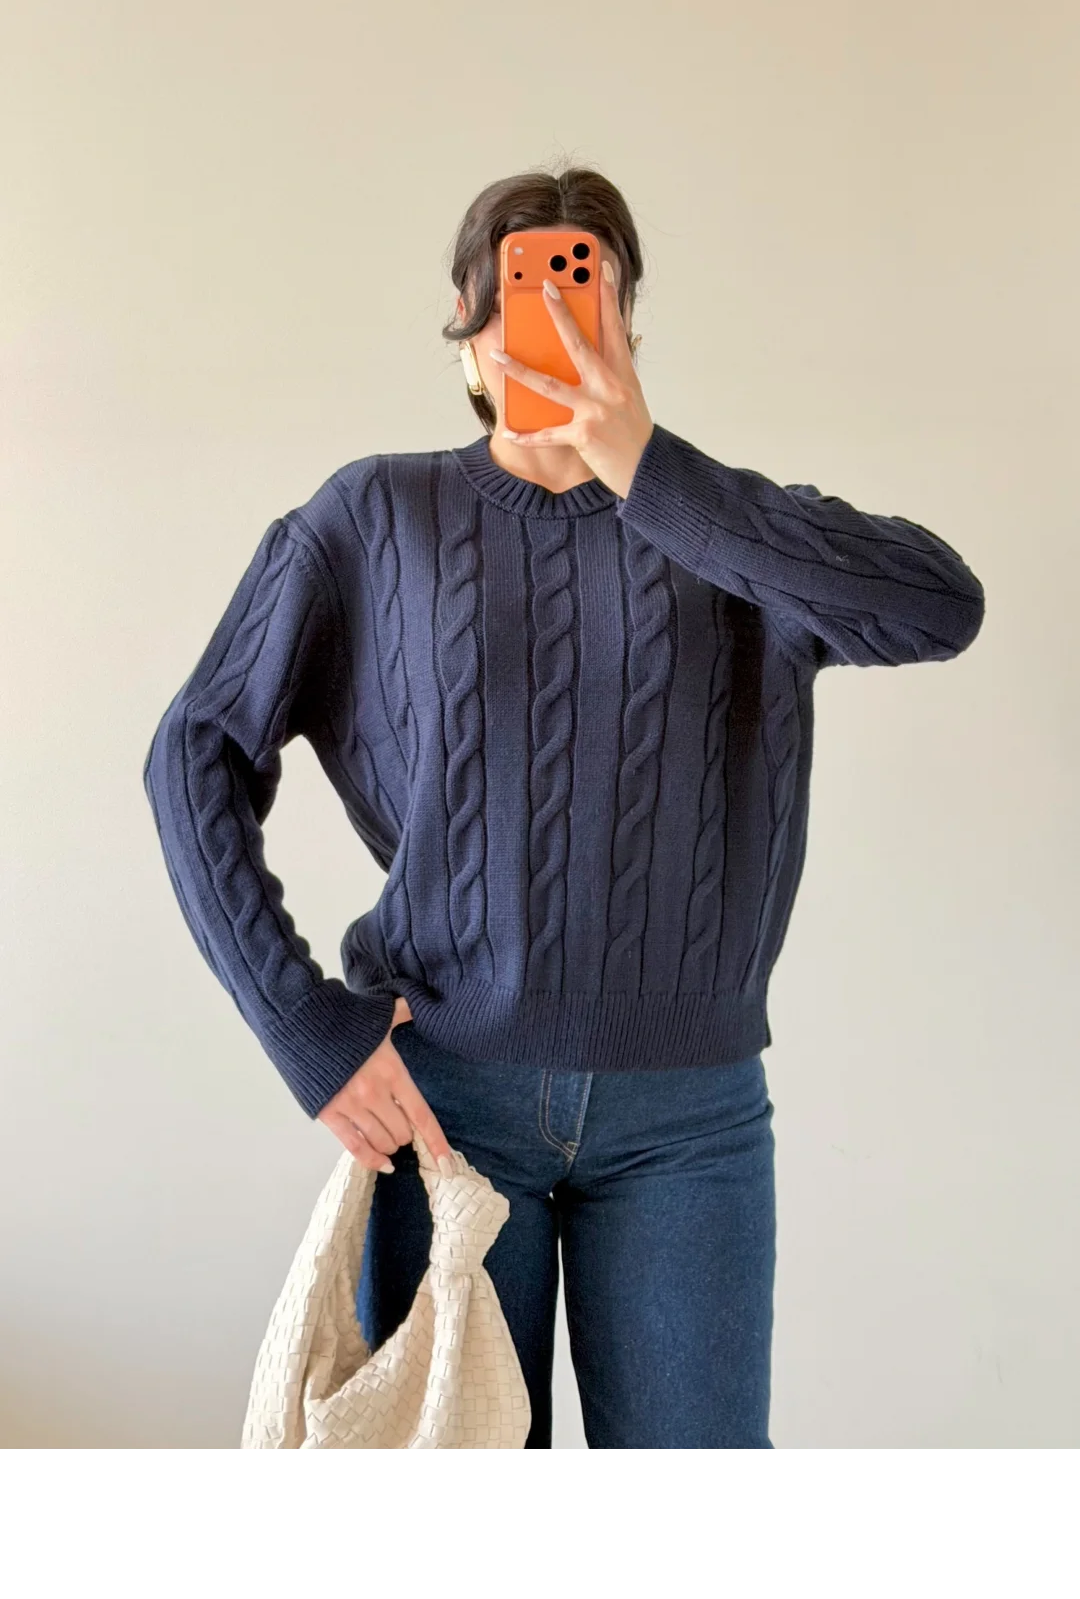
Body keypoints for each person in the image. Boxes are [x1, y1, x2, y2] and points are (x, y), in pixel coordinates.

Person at [143, 166, 986, 1453]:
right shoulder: (375, 517)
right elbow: (194, 749)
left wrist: (651, 471)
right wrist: (303, 1025)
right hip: (448, 1108)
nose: (539, 324)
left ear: (626, 324)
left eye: (580, 293)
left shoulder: (723, 527)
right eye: (512, 295)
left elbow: (940, 606)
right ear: (466, 329)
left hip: (689, 1118)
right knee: (463, 1503)